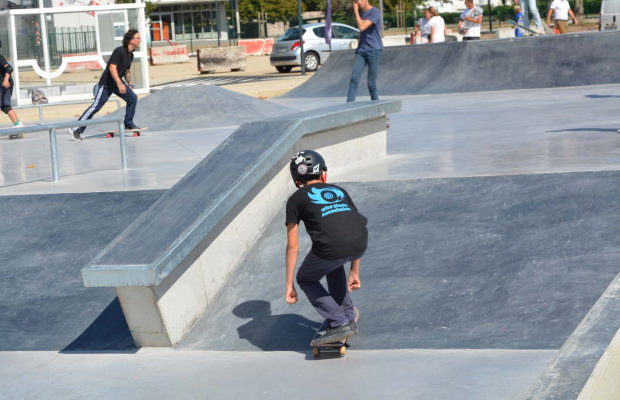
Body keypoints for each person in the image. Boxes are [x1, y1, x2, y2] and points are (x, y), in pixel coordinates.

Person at [285, 150, 368, 345]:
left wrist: (290, 284)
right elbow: (355, 226)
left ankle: (339, 323)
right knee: (332, 265)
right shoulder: (339, 190)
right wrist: (355, 271)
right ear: (323, 174)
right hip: (360, 241)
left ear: (297, 181)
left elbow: (293, 246)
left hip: (330, 247)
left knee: (305, 278)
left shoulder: (295, 199)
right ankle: (348, 315)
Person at [70, 29, 141, 141]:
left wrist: (130, 83)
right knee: (96, 107)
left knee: (132, 98)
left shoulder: (130, 54)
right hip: (107, 84)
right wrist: (119, 82)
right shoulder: (119, 51)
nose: (140, 40)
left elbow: (127, 70)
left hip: (117, 83)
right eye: (138, 38)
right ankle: (76, 128)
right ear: (131, 40)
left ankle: (128, 122)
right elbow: (112, 68)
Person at [346, 0, 383, 102]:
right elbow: (361, 33)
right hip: (361, 51)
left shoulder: (374, 12)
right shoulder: (361, 13)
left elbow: (362, 27)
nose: (359, 2)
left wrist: (356, 11)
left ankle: (377, 108)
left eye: (361, 0)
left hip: (374, 50)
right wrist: (358, 47)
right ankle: (349, 106)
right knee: (354, 79)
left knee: (371, 83)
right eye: (357, 1)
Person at [0, 40, 24, 138]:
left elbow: (9, 68)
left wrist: (6, 80)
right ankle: (18, 125)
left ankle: (18, 126)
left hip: (5, 84)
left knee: (5, 106)